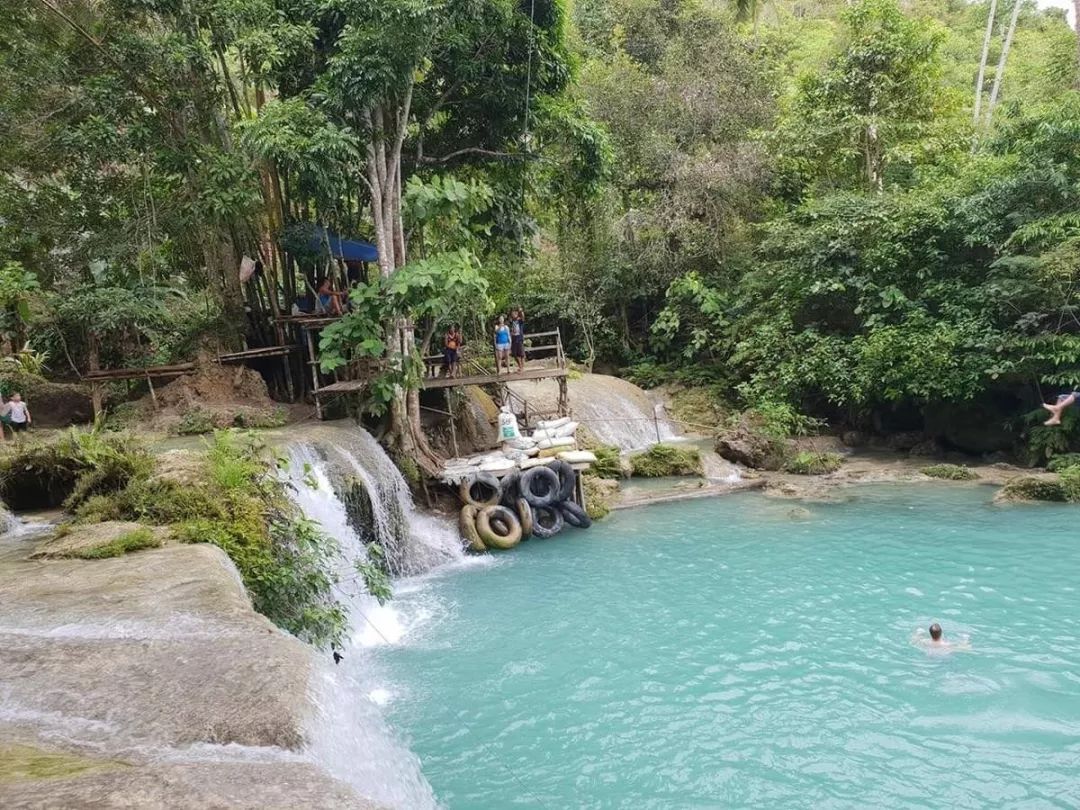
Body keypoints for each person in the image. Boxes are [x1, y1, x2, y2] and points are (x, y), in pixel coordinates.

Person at [509, 307, 526, 373]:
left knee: (521, 353)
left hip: (519, 338)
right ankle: (520, 366)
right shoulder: (511, 322)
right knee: (515, 354)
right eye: (513, 313)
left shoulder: (519, 321)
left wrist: (521, 310)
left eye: (515, 313)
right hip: (513, 338)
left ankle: (522, 368)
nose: (514, 314)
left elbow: (523, 317)